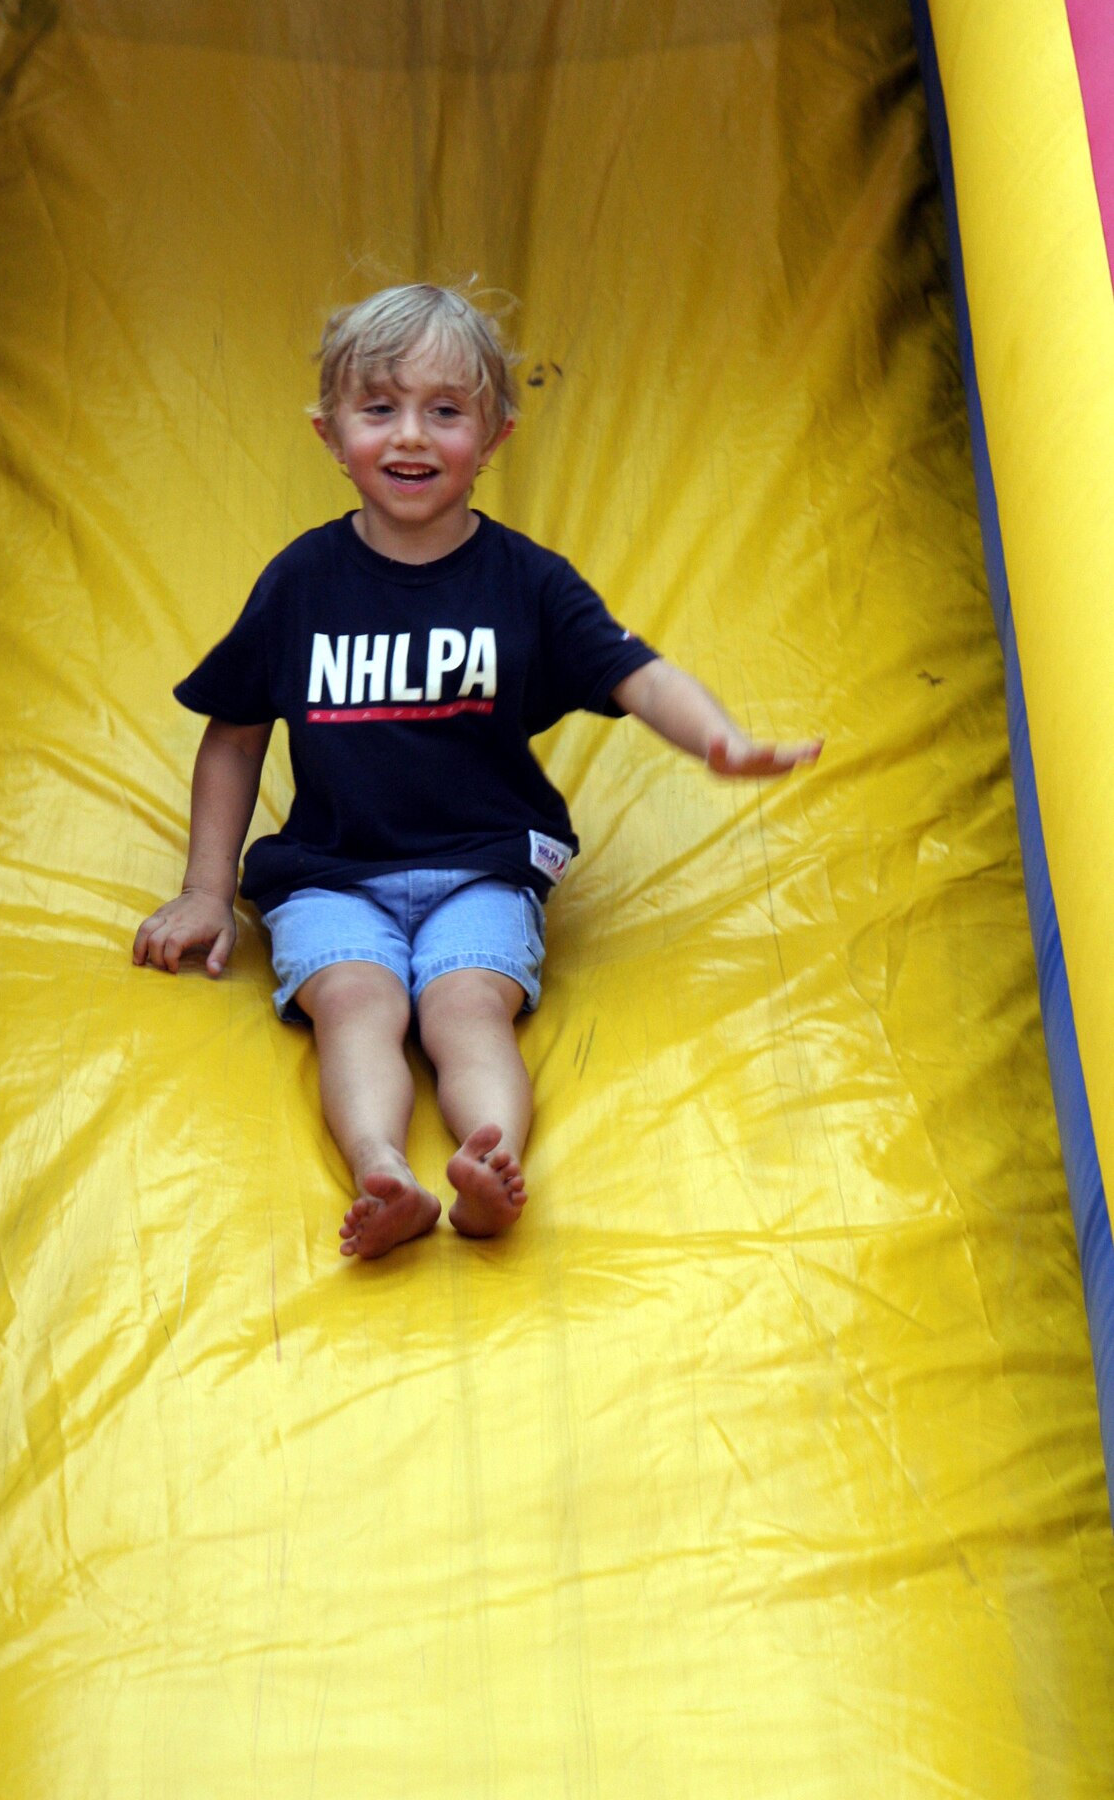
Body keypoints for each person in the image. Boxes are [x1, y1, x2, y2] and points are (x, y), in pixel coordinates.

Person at [134, 285, 821, 1259]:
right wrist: (205, 889)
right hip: (333, 870)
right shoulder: (301, 581)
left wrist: (717, 739)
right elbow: (236, 732)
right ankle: (384, 1168)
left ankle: (490, 1163)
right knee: (354, 1001)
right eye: (379, 408)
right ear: (330, 433)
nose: (410, 434)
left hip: (481, 864)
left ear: (494, 433)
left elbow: (634, 672)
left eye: (445, 411)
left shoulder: (527, 582)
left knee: (466, 1006)